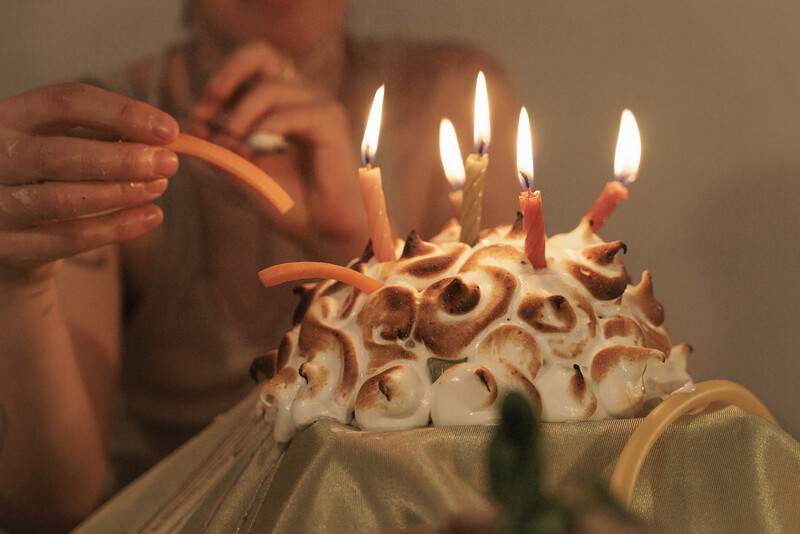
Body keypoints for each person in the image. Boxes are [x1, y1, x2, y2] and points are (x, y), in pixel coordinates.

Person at [0, 0, 522, 531]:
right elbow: (50, 507)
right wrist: (20, 283)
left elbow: (498, 420)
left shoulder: (450, 95)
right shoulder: (96, 141)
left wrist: (354, 248)